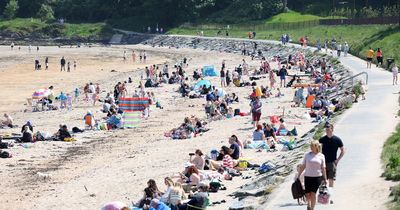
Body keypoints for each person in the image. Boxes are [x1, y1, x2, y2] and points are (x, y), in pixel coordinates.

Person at [319, 123, 345, 204]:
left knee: (331, 180)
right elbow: (317, 149)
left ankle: (329, 198)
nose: (327, 131)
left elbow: (343, 150)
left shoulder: (337, 139)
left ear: (332, 130)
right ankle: (322, 197)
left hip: (332, 162)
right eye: (326, 130)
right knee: (323, 180)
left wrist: (337, 160)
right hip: (323, 163)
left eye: (328, 129)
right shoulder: (322, 139)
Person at [297, 140, 327, 210]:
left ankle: (312, 208)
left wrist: (325, 178)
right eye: (310, 146)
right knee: (307, 194)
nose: (310, 147)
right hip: (307, 177)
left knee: (313, 193)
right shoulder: (307, 155)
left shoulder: (321, 156)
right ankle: (309, 204)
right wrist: (298, 175)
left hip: (317, 177)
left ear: (316, 147)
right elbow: (303, 166)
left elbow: (323, 168)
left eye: (312, 146)